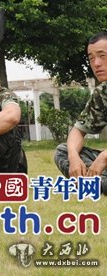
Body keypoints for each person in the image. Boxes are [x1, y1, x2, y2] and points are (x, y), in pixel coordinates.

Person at [55, 32, 107, 192]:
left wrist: (104, 157)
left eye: (102, 56)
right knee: (63, 151)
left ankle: (94, 184)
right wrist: (73, 157)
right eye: (91, 58)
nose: (96, 63)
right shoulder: (102, 93)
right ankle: (94, 183)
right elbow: (78, 130)